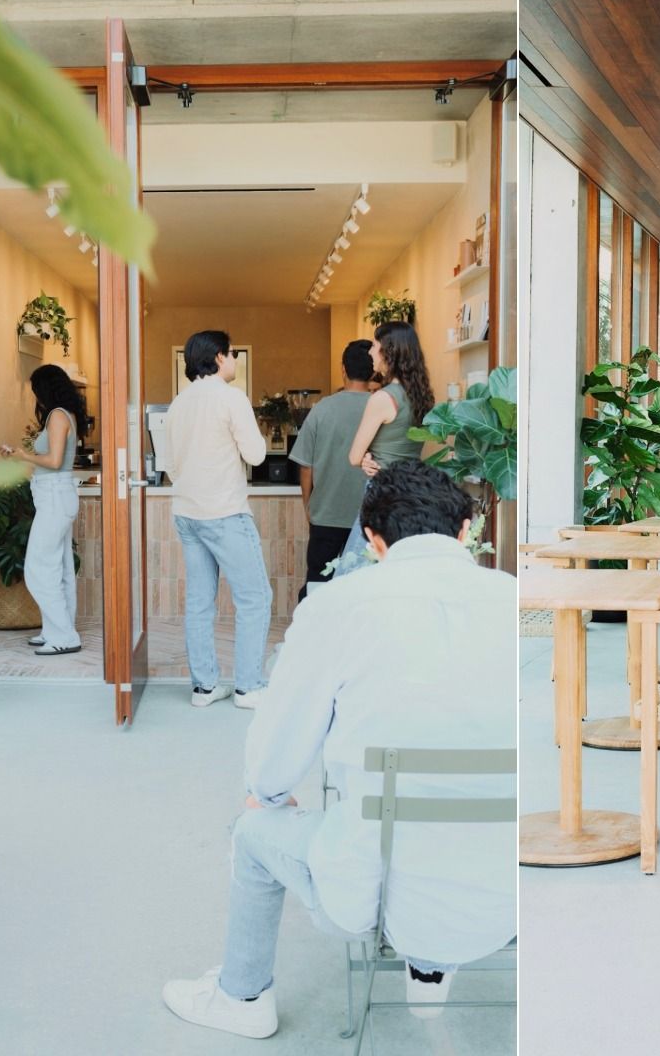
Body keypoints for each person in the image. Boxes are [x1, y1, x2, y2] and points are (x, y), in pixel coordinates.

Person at [161, 462, 515, 1040]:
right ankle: (430, 966)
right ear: (465, 531)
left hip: (373, 899)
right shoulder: (520, 602)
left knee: (253, 828)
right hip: (508, 896)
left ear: (373, 541)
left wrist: (267, 796)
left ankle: (242, 996)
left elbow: (274, 761)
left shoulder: (338, 606)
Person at [163, 330, 273, 708]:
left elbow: (171, 466)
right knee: (255, 598)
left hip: (187, 513)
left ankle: (204, 688)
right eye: (233, 354)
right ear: (220, 358)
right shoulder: (231, 398)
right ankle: (248, 687)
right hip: (224, 512)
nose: (237, 361)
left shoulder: (178, 404)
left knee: (199, 603)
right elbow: (257, 455)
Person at [331, 322, 435, 577]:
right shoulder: (421, 397)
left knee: (353, 573)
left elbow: (354, 456)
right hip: (412, 494)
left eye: (375, 346)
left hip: (382, 493)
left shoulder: (382, 399)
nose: (370, 353)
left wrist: (365, 457)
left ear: (389, 351)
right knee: (398, 574)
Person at [0, 364, 86, 655]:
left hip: (55, 497)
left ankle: (64, 635)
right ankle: (56, 630)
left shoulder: (58, 416)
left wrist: (24, 454)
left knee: (37, 568)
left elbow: (55, 460)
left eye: (35, 389)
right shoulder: (64, 415)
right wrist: (22, 456)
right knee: (58, 567)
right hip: (57, 496)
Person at [290, 340, 375, 595]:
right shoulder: (381, 408)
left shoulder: (322, 409)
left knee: (318, 583)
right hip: (369, 516)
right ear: (374, 371)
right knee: (364, 585)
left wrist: (308, 506)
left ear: (343, 369)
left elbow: (306, 466)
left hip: (326, 514)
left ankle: (314, 634)